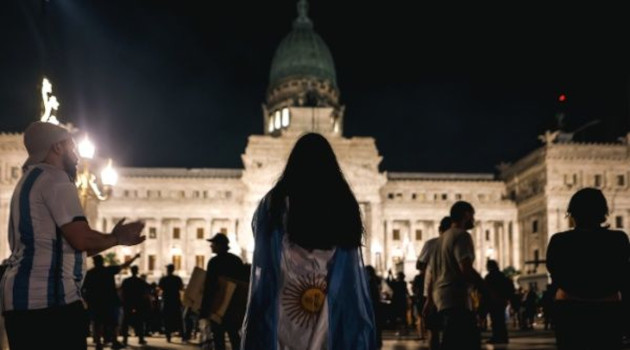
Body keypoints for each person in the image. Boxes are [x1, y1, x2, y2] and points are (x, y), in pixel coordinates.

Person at [0, 121, 145, 350]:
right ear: (57, 147)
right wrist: (118, 238)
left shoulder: (26, 182)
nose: (77, 156)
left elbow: (70, 247)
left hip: (20, 302)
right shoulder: (55, 178)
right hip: (50, 303)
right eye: (72, 147)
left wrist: (110, 239)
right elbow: (81, 239)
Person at [241, 133, 376, 350]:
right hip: (329, 307)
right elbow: (350, 269)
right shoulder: (344, 205)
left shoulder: (274, 204)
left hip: (283, 309)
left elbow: (263, 263)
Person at [546, 188, 630, 350]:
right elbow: (623, 274)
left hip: (570, 308)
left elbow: (555, 271)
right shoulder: (618, 239)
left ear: (572, 213)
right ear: (603, 212)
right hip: (608, 309)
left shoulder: (560, 241)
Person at [424, 201, 484, 350]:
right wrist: (486, 289)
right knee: (467, 341)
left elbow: (431, 274)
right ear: (466, 215)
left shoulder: (437, 242)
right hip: (457, 297)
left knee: (451, 339)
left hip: (441, 299)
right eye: (472, 216)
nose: (473, 220)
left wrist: (430, 300)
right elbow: (466, 268)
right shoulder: (462, 235)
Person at [82, 253, 140, 349]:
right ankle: (114, 341)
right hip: (110, 300)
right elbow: (124, 265)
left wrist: (87, 301)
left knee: (98, 323)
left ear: (94, 262)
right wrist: (135, 257)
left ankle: (99, 344)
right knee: (113, 323)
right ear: (102, 262)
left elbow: (85, 289)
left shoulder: (90, 273)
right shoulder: (108, 270)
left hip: (96, 302)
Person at [199, 233, 244, 350]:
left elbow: (209, 287)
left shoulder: (214, 262)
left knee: (218, 338)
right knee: (234, 336)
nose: (211, 246)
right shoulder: (236, 260)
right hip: (234, 306)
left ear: (220, 245)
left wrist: (204, 310)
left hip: (217, 306)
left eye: (213, 244)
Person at [419, 216, 452, 350]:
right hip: (451, 292)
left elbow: (420, 265)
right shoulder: (458, 242)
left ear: (439, 229)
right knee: (450, 330)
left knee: (434, 330)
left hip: (434, 292)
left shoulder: (432, 244)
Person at [483, 259, 514, 344]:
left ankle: (496, 336)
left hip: (493, 301)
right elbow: (509, 287)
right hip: (502, 301)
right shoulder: (502, 275)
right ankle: (503, 337)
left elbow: (485, 290)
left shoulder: (489, 277)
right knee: (501, 320)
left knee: (495, 320)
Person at [121, 265, 151, 346]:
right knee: (139, 321)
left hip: (128, 303)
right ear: (137, 271)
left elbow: (122, 292)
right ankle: (140, 339)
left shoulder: (126, 281)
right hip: (138, 303)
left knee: (126, 322)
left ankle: (125, 339)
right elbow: (148, 288)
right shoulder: (140, 281)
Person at [159, 264, 184, 342]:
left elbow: (161, 287)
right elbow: (181, 287)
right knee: (178, 318)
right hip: (175, 300)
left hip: (167, 300)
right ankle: (183, 334)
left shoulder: (164, 279)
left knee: (167, 319)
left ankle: (168, 336)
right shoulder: (177, 279)